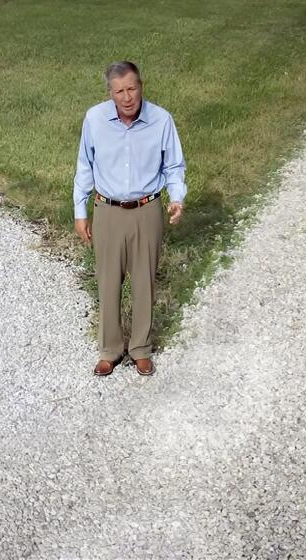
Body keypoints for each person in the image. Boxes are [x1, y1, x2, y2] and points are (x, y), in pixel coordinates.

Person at [73, 61, 187, 376]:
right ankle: (110, 349)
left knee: (143, 281)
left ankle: (140, 348)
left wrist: (176, 198)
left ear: (141, 86)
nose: (127, 97)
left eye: (132, 88)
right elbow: (85, 166)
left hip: (146, 210)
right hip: (107, 210)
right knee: (108, 281)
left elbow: (174, 166)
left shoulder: (161, 121)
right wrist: (80, 211)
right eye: (120, 91)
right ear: (110, 93)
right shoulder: (95, 120)